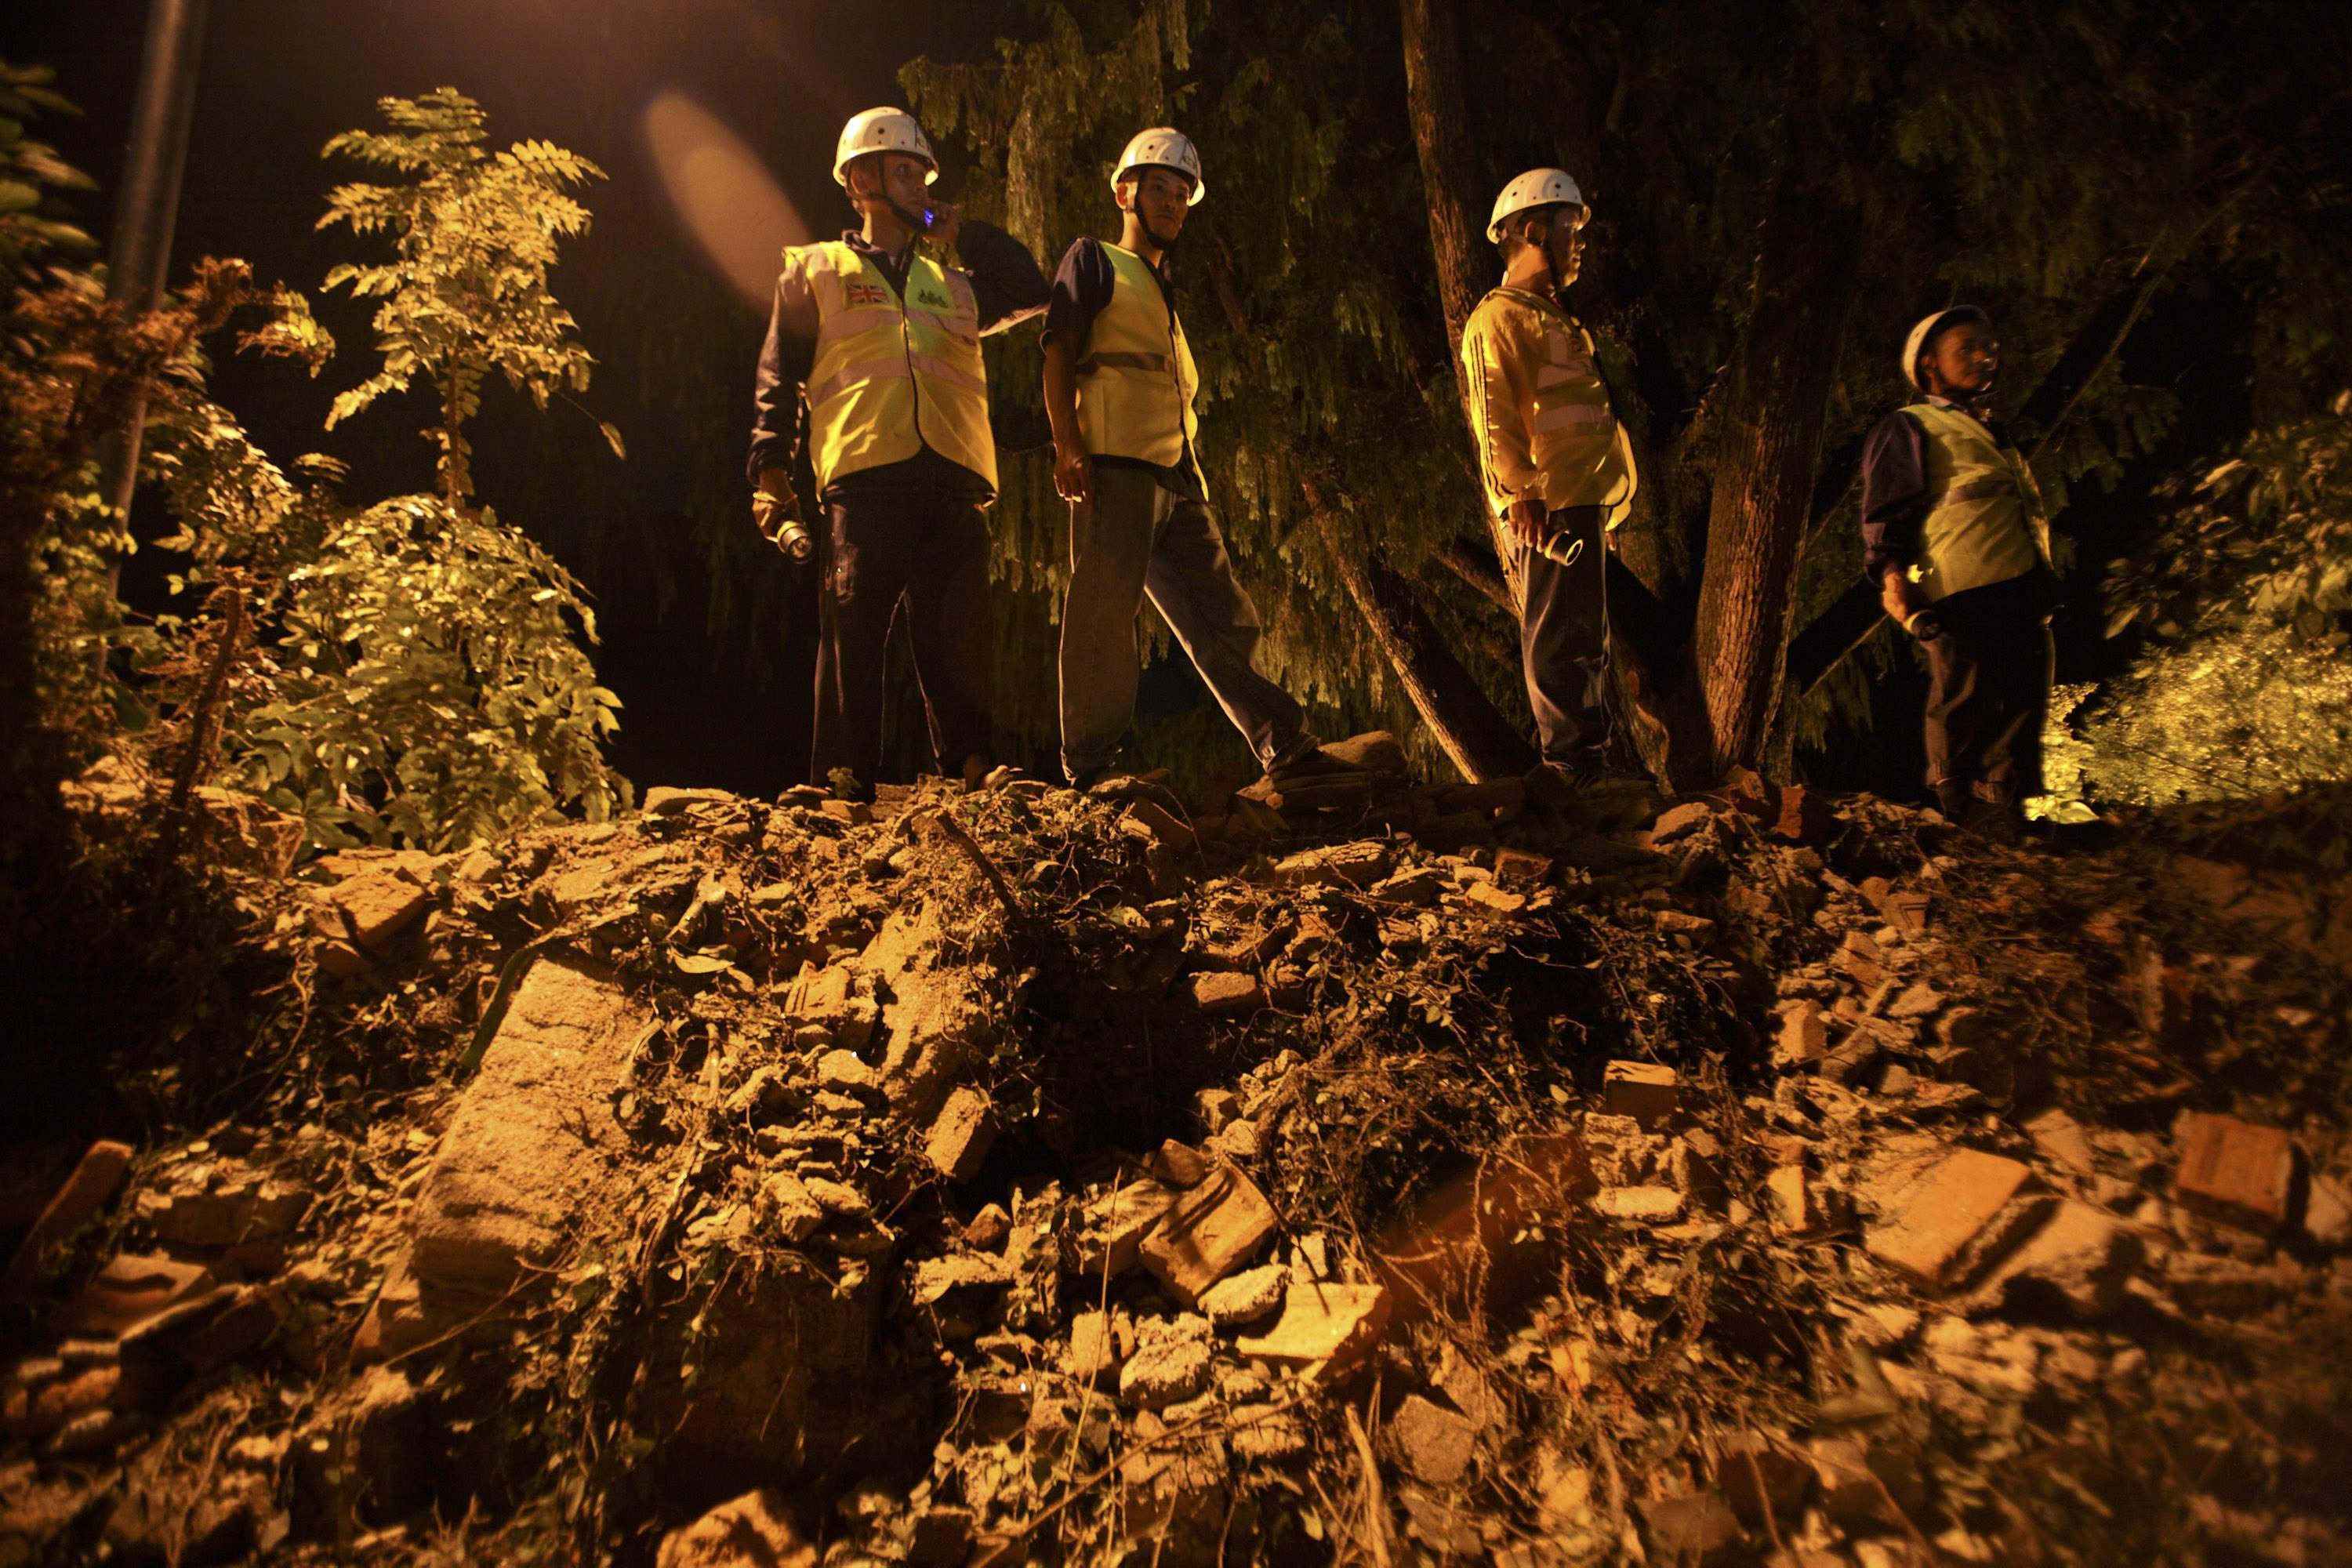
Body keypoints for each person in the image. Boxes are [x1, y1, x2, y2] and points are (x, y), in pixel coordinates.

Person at [747, 107, 1047, 797]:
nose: (917, 184)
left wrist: (950, 226)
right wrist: (771, 473)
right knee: (852, 634)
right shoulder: (816, 269)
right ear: (860, 179)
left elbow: (1030, 287)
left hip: (952, 476)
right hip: (865, 475)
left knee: (961, 638)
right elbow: (777, 376)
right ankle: (843, 776)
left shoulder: (952, 283)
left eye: (920, 172)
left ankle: (973, 762)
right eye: (903, 170)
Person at [1040, 127, 1351, 793]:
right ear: (1126, 192)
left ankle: (1285, 747)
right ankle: (1092, 768)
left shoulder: (1163, 295)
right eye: (1161, 189)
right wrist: (1067, 445)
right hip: (1113, 465)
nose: (1174, 204)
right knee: (1102, 612)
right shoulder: (1094, 259)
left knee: (1222, 618)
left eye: (1184, 194)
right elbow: (1059, 348)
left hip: (1177, 476)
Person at [1459, 168, 1639, 792]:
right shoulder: (1501, 317)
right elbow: (1494, 414)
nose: (1579, 242)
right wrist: (1519, 496)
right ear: (1535, 230)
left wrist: (1605, 513)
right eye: (1570, 229)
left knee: (1587, 638)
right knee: (1561, 636)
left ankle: (1591, 761)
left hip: (1582, 501)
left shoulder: (1551, 317)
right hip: (1552, 502)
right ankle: (1569, 766)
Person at [1860, 307, 2056, 838]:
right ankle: (1963, 810)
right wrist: (1895, 583)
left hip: (2015, 579)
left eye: (1988, 345)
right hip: (1959, 583)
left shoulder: (1990, 430)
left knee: (2023, 693)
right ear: (1929, 366)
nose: (1984, 355)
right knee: (1967, 695)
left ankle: (2005, 807)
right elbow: (1886, 511)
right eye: (1967, 347)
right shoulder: (1909, 425)